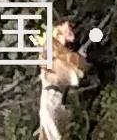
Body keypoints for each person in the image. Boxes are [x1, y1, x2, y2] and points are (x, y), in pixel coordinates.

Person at [38, 7, 94, 138]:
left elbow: (77, 69)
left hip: (59, 100)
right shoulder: (50, 46)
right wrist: (77, 61)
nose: (72, 28)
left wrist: (79, 61)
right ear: (59, 27)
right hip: (50, 99)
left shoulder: (62, 50)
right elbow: (65, 70)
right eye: (69, 24)